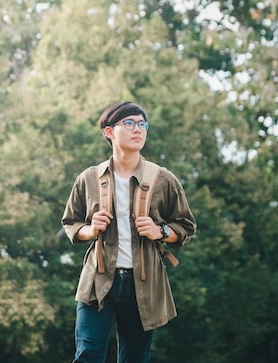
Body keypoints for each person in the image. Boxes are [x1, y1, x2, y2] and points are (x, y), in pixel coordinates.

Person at [61, 101, 197, 363]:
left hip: (143, 284)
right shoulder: (89, 178)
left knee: (135, 358)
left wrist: (160, 230)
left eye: (143, 124)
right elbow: (70, 222)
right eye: (130, 123)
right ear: (109, 132)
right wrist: (89, 230)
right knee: (87, 355)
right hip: (98, 281)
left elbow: (186, 226)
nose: (139, 130)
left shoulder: (163, 179)